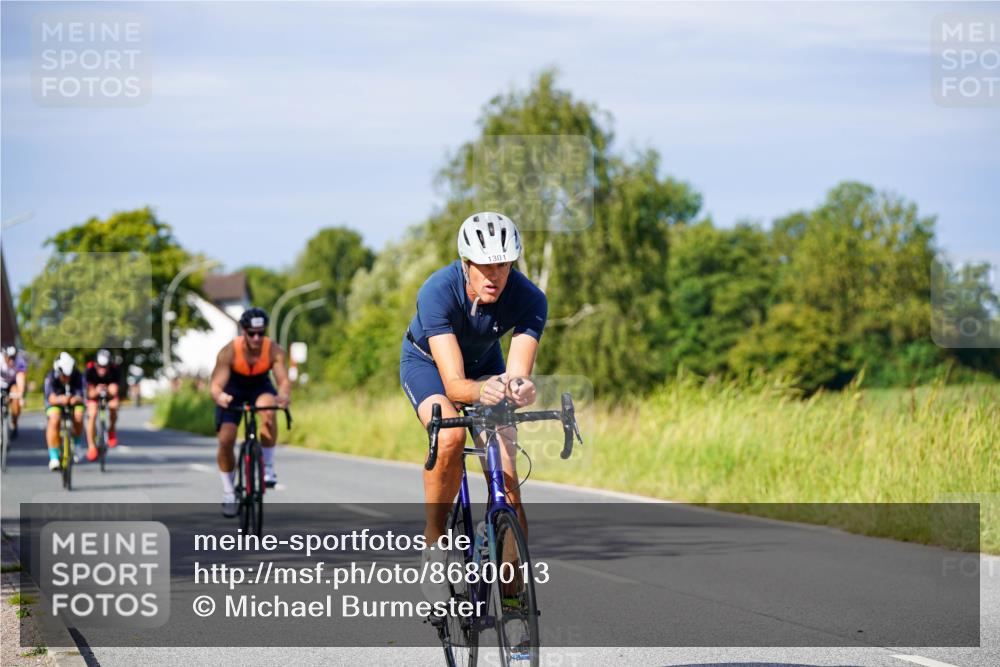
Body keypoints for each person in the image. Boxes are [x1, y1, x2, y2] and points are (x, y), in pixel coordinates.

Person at [399, 211, 546, 603]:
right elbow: (455, 385)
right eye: (485, 266)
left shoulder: (530, 298)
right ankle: (434, 545)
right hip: (429, 366)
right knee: (448, 434)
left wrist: (519, 390)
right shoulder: (437, 291)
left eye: (504, 264)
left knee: (509, 477)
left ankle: (515, 606)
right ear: (466, 264)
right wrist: (487, 392)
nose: (494, 275)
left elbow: (517, 374)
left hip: (485, 367)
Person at [209, 308, 291, 517]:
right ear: (243, 331)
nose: (256, 338)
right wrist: (220, 396)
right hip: (233, 389)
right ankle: (229, 491)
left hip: (259, 386)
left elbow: (283, 381)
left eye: (260, 333)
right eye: (251, 333)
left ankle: (269, 467)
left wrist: (283, 395)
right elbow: (216, 385)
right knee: (226, 438)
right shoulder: (229, 351)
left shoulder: (273, 350)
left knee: (268, 410)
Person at [44, 352, 85, 471]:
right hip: (56, 402)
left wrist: (74, 399)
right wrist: (60, 399)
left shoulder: (77, 375)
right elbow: (50, 398)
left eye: (69, 375)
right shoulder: (51, 376)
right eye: (64, 376)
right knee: (54, 419)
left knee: (79, 415)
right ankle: (54, 457)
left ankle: (76, 445)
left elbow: (82, 395)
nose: (67, 378)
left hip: (73, 401)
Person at [84, 348, 121, 461]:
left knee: (114, 406)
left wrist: (107, 390)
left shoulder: (115, 370)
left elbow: (115, 390)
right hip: (94, 394)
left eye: (105, 367)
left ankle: (111, 431)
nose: (102, 369)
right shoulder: (89, 369)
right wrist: (97, 391)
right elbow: (89, 392)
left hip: (109, 393)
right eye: (100, 366)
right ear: (95, 364)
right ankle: (91, 447)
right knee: (92, 414)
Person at [1, 346, 28, 439]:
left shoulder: (20, 362)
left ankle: (14, 423)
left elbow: (20, 379)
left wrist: (20, 397)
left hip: (13, 383)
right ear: (5, 356)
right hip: (1, 383)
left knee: (16, 398)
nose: (12, 361)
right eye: (9, 358)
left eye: (13, 358)